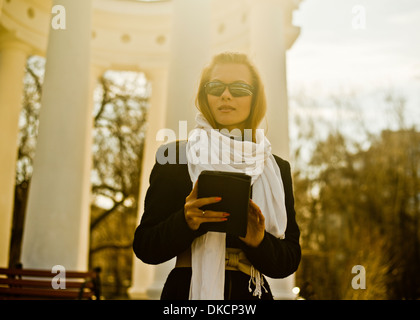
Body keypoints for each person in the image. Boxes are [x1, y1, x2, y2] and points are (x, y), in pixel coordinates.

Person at [133, 52, 301, 300]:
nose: (226, 94)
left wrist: (259, 242)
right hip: (186, 293)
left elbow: (288, 260)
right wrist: (184, 221)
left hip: (251, 297)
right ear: (205, 95)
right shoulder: (174, 157)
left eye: (239, 88)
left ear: (256, 98)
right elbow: (146, 247)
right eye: (215, 86)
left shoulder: (276, 168)